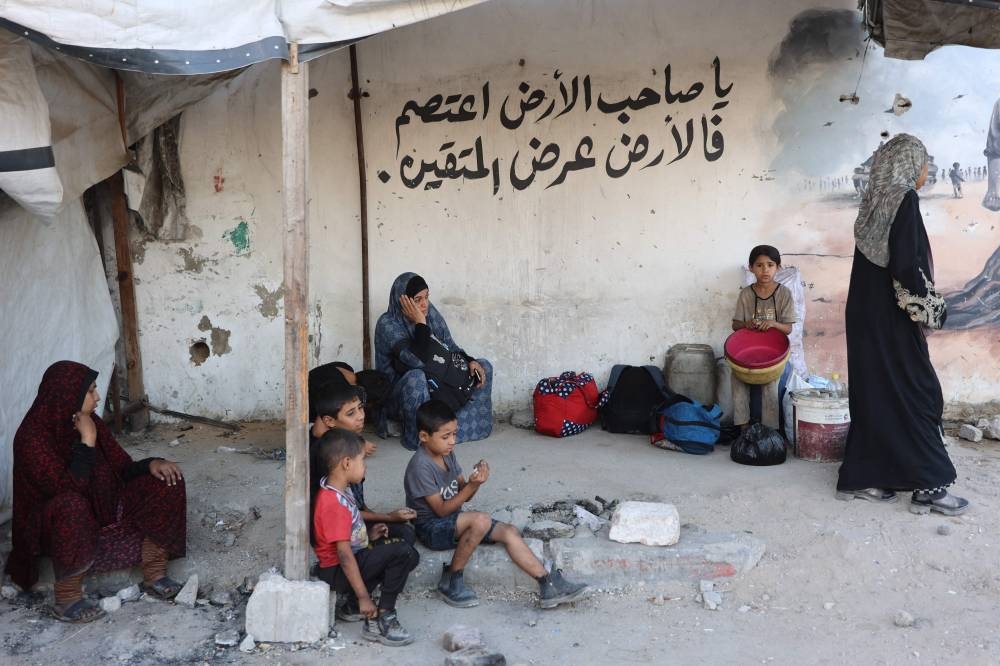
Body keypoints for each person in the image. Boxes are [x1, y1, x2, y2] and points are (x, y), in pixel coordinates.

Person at [836, 134, 969, 515]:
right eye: (924, 162)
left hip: (863, 313)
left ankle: (862, 477)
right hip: (890, 316)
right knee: (918, 390)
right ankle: (930, 485)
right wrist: (932, 307)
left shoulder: (874, 198)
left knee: (875, 391)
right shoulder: (905, 199)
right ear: (909, 164)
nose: (927, 171)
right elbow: (906, 267)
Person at [5, 361, 186, 623]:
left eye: (95, 389)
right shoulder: (32, 438)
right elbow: (67, 489)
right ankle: (67, 598)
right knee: (71, 504)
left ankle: (155, 574)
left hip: (101, 509)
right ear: (68, 395)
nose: (97, 397)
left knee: (167, 480)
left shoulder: (91, 422)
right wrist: (87, 443)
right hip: (57, 529)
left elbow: (122, 467)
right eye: (91, 391)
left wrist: (152, 464)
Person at [404, 399, 589, 609]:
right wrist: (472, 487)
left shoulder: (447, 455)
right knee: (481, 520)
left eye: (455, 434)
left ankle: (548, 583)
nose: (452, 441)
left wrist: (476, 481)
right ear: (424, 436)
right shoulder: (420, 466)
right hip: (431, 528)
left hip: (453, 520)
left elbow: (464, 491)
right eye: (446, 436)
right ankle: (451, 580)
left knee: (508, 531)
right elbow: (441, 510)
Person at [313, 428, 418, 647]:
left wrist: (371, 532)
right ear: (347, 463)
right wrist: (364, 597)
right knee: (403, 553)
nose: (365, 466)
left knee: (405, 534)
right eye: (362, 460)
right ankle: (381, 617)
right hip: (337, 571)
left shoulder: (338, 487)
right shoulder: (332, 504)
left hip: (353, 554)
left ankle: (352, 605)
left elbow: (351, 518)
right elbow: (344, 555)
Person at [374, 272, 493, 451]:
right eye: (417, 299)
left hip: (436, 380)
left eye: (427, 297)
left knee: (483, 367)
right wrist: (421, 323)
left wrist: (470, 360)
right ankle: (420, 438)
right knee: (417, 377)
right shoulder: (388, 323)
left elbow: (449, 345)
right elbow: (414, 360)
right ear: (403, 301)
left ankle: (450, 432)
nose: (424, 304)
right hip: (399, 394)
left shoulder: (429, 311)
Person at [309, 383, 417, 546]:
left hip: (351, 515)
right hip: (336, 531)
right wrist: (388, 517)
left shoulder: (349, 443)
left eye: (360, 408)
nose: (361, 416)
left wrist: (381, 516)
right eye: (351, 413)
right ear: (329, 421)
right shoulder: (330, 457)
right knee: (403, 542)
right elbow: (342, 511)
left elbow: (354, 500)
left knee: (405, 532)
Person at [730, 245, 797, 430]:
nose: (765, 270)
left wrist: (774, 324)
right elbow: (735, 325)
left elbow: (788, 329)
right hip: (749, 352)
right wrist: (746, 324)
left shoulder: (784, 294)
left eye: (770, 264)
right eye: (759, 265)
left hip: (774, 354)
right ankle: (743, 429)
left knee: (770, 381)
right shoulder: (746, 294)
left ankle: (770, 431)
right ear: (751, 268)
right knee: (737, 378)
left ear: (778, 268)